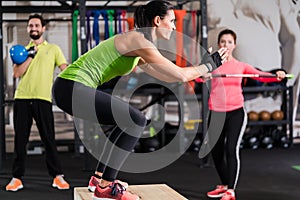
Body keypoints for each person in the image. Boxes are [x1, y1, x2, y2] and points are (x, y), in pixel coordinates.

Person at [52, 1, 228, 199]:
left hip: (70, 88)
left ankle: (99, 179)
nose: (173, 27)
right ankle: (106, 186)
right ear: (157, 20)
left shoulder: (140, 44)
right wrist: (209, 65)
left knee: (126, 121)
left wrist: (200, 71)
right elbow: (179, 74)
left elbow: (168, 76)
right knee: (136, 120)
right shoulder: (138, 41)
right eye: (171, 21)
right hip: (71, 87)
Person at [196, 29, 286, 200]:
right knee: (216, 152)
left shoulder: (240, 66)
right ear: (219, 44)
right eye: (223, 42)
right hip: (215, 113)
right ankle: (224, 185)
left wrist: (277, 75)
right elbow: (199, 78)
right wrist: (204, 69)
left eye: (229, 42)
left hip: (235, 112)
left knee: (231, 149)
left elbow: (261, 76)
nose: (226, 45)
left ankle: (231, 190)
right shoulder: (212, 65)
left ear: (234, 45)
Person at [6, 14, 70, 192]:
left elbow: (64, 68)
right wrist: (30, 55)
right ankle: (16, 178)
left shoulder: (54, 49)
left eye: (36, 25)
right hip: (22, 99)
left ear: (43, 28)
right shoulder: (22, 50)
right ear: (28, 29)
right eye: (30, 26)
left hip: (43, 99)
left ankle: (57, 176)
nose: (33, 28)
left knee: (48, 139)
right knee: (20, 141)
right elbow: (17, 73)